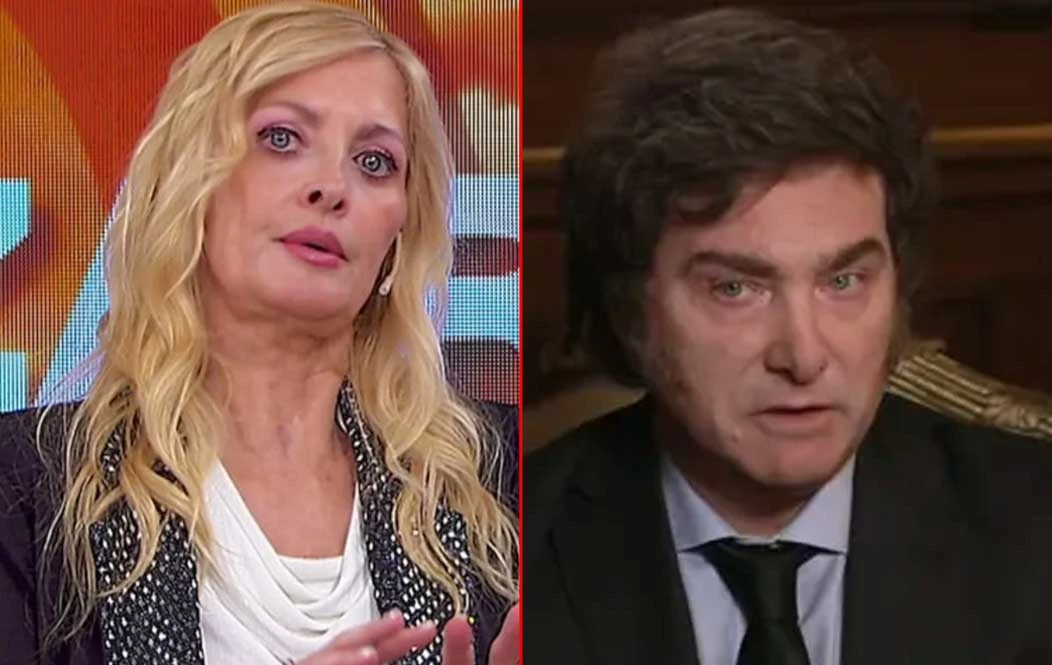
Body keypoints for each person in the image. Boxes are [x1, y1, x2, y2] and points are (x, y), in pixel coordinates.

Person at [524, 8, 1052, 665]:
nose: (804, 356)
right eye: (734, 289)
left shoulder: (1034, 532)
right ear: (629, 308)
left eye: (844, 281)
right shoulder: (496, 559)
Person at [0, 3, 519, 665]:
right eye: (281, 138)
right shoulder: (26, 489)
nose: (331, 187)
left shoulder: (500, 478)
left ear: (398, 236)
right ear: (193, 182)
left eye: (374, 161)